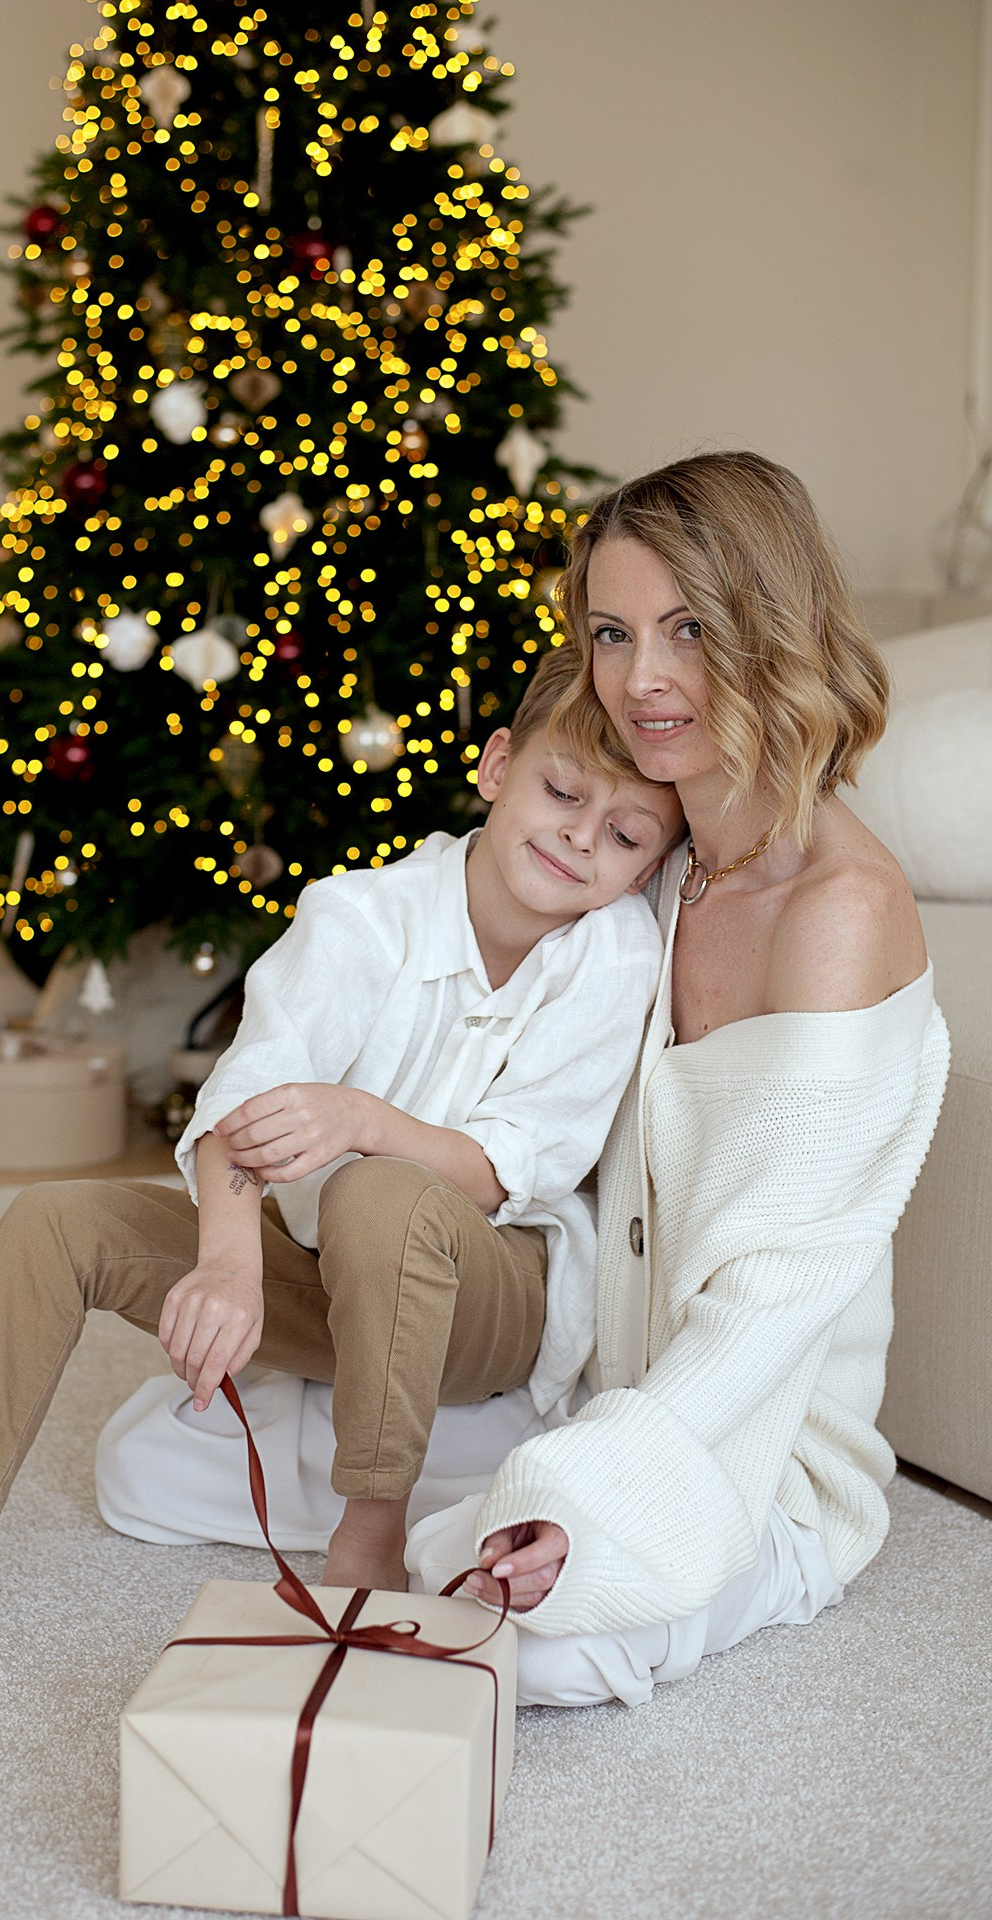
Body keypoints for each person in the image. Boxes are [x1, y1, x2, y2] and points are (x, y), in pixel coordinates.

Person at [0, 644, 684, 1721]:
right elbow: (250, 1092)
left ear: (650, 865)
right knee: (57, 1222)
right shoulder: (361, 914)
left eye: (625, 836)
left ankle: (367, 1542)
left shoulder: (613, 956)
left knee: (378, 1189)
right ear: (498, 765)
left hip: (490, 1307)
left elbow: (505, 1170)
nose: (579, 837)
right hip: (332, 1275)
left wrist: (362, 1120)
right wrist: (229, 1263)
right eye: (561, 792)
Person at [403, 450, 950, 1705]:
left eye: (688, 629)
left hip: (758, 1451)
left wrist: (585, 1489)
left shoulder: (840, 910)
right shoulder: (652, 861)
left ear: (773, 626)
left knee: (532, 1644)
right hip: (596, 1381)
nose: (640, 680)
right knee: (162, 1459)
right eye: (611, 632)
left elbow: (774, 1300)